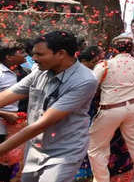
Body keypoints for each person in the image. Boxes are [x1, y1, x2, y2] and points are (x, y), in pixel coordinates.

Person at [0, 31, 98, 181]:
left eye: (39, 54)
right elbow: (7, 96)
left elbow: (42, 124)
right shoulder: (39, 72)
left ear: (60, 53)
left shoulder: (85, 80)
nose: (33, 59)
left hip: (63, 151)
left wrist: (2, 149)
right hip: (35, 147)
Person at [88, 35, 134, 182]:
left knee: (96, 148)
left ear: (113, 49)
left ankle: (101, 179)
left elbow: (90, 86)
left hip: (111, 109)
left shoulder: (105, 65)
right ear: (132, 48)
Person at [0, 39, 25, 180]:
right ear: (9, 57)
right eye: (21, 53)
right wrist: (5, 114)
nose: (26, 55)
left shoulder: (18, 72)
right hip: (1, 127)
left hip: (11, 127)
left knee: (9, 163)